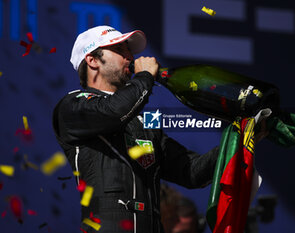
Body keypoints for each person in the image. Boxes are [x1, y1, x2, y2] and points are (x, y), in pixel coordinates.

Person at [52, 25, 220, 233]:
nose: (129, 57)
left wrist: (238, 140)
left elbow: (191, 171)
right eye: (120, 50)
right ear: (92, 60)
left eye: (129, 50)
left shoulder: (143, 122)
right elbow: (114, 111)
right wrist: (145, 77)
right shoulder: (72, 106)